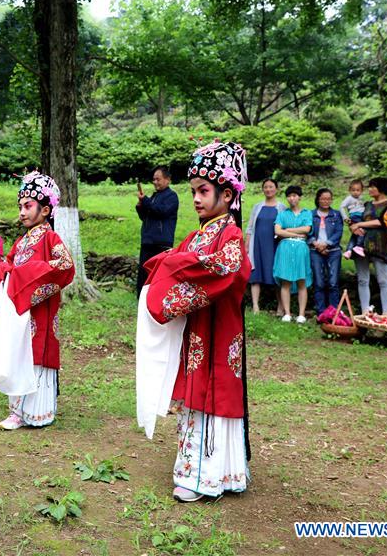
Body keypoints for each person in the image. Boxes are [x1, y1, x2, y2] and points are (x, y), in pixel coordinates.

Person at [135, 140, 251, 503]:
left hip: (219, 330)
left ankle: (207, 477)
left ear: (228, 194)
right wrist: (171, 264)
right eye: (194, 192)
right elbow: (179, 261)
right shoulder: (200, 234)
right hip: (200, 330)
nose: (197, 199)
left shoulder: (229, 234)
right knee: (199, 390)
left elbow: (228, 270)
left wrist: (175, 265)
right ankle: (215, 473)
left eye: (204, 191)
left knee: (213, 389)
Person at [0, 171, 75, 430]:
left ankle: (37, 411)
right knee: (19, 351)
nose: (22, 212)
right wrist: (5, 271)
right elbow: (9, 264)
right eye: (20, 207)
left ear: (46, 210)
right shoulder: (23, 241)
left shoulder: (51, 238)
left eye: (28, 206)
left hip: (40, 310)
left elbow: (65, 266)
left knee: (36, 352)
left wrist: (27, 280)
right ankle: (17, 410)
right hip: (20, 311)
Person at [350, 177, 387, 314]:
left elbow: (382, 222)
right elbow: (356, 218)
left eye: (373, 186)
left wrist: (360, 224)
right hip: (362, 245)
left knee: (383, 280)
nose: (369, 189)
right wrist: (353, 226)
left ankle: (386, 313)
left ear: (381, 188)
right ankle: (364, 311)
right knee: (362, 280)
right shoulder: (367, 204)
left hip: (381, 246)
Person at [135, 166, 179, 296]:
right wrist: (140, 207)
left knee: (159, 275)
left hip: (161, 243)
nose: (155, 182)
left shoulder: (172, 196)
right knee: (143, 274)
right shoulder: (153, 197)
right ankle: (141, 298)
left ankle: (157, 299)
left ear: (167, 180)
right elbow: (145, 217)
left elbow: (161, 211)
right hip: (148, 241)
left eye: (158, 179)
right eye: (153, 179)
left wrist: (146, 201)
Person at [246, 179, 286, 314]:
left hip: (275, 245)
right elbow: (250, 227)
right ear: (263, 189)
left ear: (276, 189)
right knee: (255, 274)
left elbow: (285, 227)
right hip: (257, 244)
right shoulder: (257, 207)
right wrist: (247, 244)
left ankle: (281, 307)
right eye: (266, 187)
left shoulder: (281, 207)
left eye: (271, 187)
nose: (268, 189)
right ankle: (256, 306)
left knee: (277, 275)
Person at [273, 186, 313, 323]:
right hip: (285, 247)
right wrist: (296, 233)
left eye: (295, 195)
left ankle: (301, 314)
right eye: (289, 196)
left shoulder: (307, 213)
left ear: (300, 197)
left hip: (301, 248)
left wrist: (288, 229)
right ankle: (287, 313)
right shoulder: (282, 214)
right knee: (286, 281)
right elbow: (278, 231)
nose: (292, 198)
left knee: (302, 280)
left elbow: (307, 229)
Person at [307, 188, 343, 316]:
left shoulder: (336, 215)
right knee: (319, 282)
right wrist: (316, 244)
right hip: (315, 250)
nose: (326, 201)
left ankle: (334, 312)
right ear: (318, 199)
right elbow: (307, 231)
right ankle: (321, 312)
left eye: (328, 199)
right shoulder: (310, 214)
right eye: (323, 198)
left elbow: (338, 232)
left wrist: (326, 244)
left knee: (333, 282)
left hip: (333, 251)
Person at [340, 179, 366, 259]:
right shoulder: (349, 198)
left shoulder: (361, 198)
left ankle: (349, 251)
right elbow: (341, 206)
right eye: (353, 190)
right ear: (349, 190)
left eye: (358, 190)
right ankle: (359, 246)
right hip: (355, 216)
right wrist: (345, 217)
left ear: (362, 191)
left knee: (355, 235)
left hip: (361, 216)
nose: (355, 192)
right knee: (362, 231)